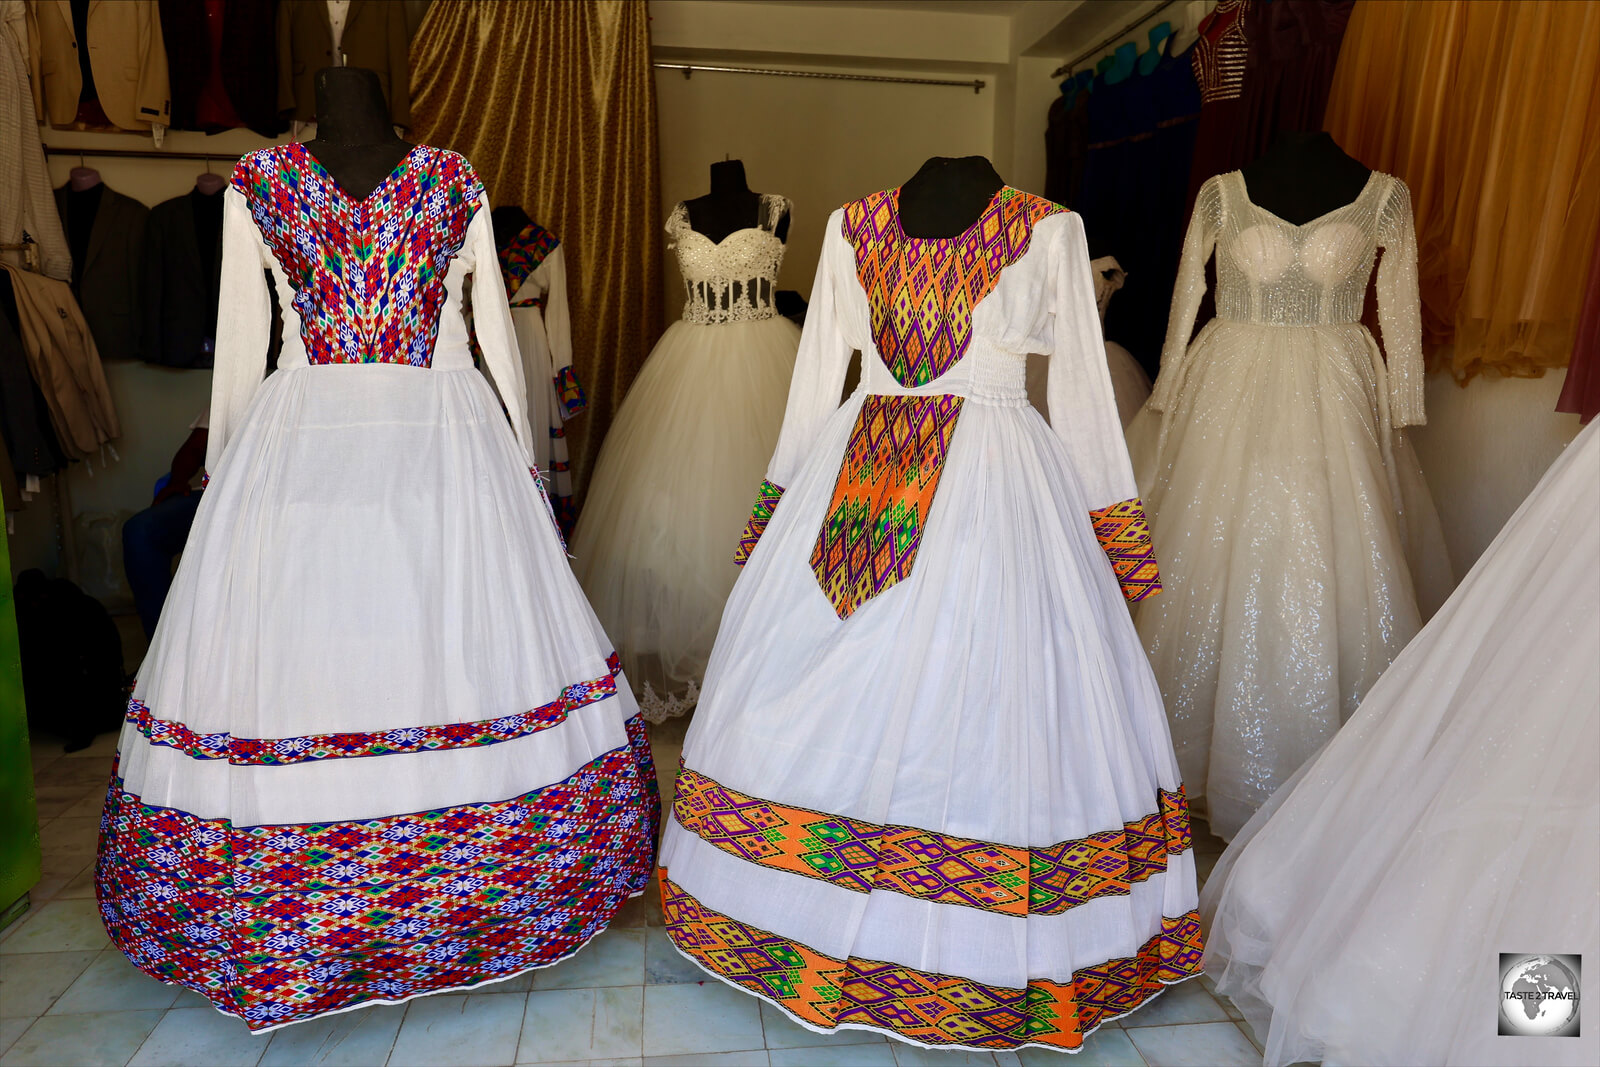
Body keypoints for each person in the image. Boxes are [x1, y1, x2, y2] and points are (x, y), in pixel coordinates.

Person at [121, 408, 207, 637]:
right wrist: (177, 481)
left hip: (280, 500)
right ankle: (163, 646)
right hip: (214, 494)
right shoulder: (238, 384)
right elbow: (195, 446)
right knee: (140, 531)